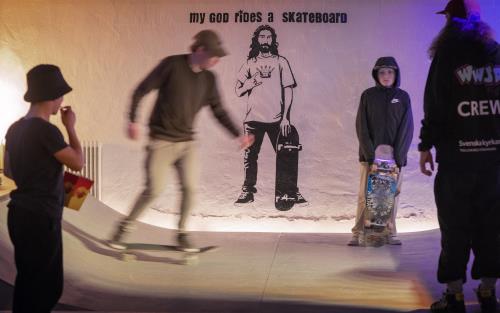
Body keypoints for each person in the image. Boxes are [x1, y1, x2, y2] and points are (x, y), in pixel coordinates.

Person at [109, 30, 253, 251]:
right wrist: (132, 120)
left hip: (187, 143)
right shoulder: (171, 65)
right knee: (154, 189)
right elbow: (141, 90)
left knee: (190, 187)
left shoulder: (209, 79)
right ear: (200, 50)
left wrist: (237, 134)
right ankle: (123, 228)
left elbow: (218, 110)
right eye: (214, 55)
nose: (217, 60)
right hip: (161, 141)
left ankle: (182, 234)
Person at [419, 0, 500, 312]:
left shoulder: (446, 54)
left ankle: (454, 295)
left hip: (457, 162)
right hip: (493, 161)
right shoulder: (495, 51)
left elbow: (435, 105)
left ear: (451, 19)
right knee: (492, 228)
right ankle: (488, 292)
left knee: (455, 227)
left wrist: (426, 145)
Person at [3, 64, 83, 313]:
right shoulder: (47, 131)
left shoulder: (14, 128)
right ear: (53, 96)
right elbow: (78, 163)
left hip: (19, 213)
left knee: (28, 281)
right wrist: (71, 126)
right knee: (47, 288)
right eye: (61, 96)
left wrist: (38, 175)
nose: (61, 102)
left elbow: (8, 171)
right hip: (41, 217)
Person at [234, 24, 307, 206]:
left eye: (268, 37)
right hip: (252, 120)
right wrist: (251, 82)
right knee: (250, 156)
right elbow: (238, 90)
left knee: (286, 156)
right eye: (262, 37)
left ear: (273, 40)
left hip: (276, 120)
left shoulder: (281, 61)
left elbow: (288, 90)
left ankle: (291, 192)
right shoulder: (250, 64)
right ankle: (248, 192)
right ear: (257, 40)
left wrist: (285, 117)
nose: (265, 40)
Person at [349, 56, 413, 246]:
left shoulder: (402, 97)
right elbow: (362, 126)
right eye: (382, 72)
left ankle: (389, 233)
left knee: (392, 195)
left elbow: (407, 128)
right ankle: (358, 233)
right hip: (370, 157)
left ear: (396, 74)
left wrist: (399, 156)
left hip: (394, 157)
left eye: (390, 72)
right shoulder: (368, 95)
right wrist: (370, 156)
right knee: (365, 195)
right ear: (376, 74)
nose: (386, 76)